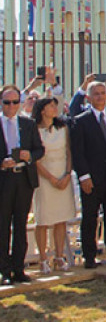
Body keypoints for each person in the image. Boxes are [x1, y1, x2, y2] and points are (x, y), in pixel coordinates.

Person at [71, 80, 106, 268]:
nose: (100, 96)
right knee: (90, 218)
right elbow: (77, 152)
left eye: (103, 93)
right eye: (96, 94)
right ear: (88, 97)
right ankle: (89, 256)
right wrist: (84, 176)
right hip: (92, 179)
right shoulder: (81, 120)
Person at [1, 85, 45, 284]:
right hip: (4, 178)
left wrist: (29, 156)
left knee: (20, 225)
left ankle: (19, 268)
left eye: (15, 102)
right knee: (3, 226)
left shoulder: (27, 124)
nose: (11, 106)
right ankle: (4, 270)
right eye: (7, 102)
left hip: (23, 179)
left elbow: (39, 150)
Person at [31, 96, 75, 274]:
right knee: (43, 219)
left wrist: (66, 174)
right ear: (42, 110)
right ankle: (43, 258)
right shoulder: (34, 129)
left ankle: (59, 255)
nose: (54, 108)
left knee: (60, 219)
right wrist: (51, 178)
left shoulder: (62, 128)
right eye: (50, 106)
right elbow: (36, 160)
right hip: (44, 178)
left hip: (62, 174)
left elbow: (69, 152)